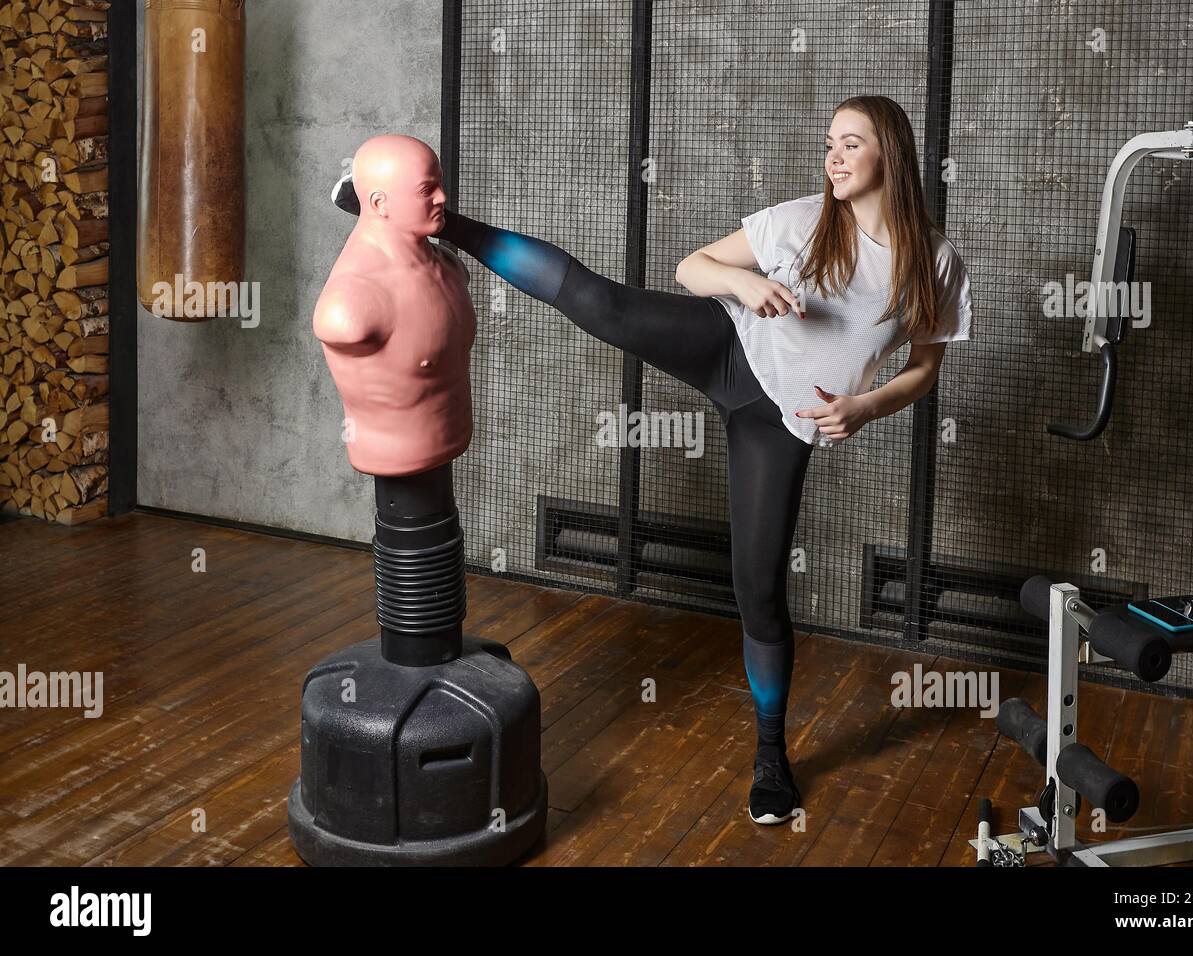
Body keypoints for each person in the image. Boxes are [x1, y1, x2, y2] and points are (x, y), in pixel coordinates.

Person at [333, 95, 972, 826]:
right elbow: (693, 266)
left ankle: (771, 755)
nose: (832, 158)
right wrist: (744, 283)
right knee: (601, 304)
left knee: (758, 590)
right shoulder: (801, 220)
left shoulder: (936, 263)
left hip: (784, 424)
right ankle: (443, 224)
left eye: (849, 145)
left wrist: (866, 407)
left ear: (889, 153)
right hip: (726, 346)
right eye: (829, 143)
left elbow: (924, 370)